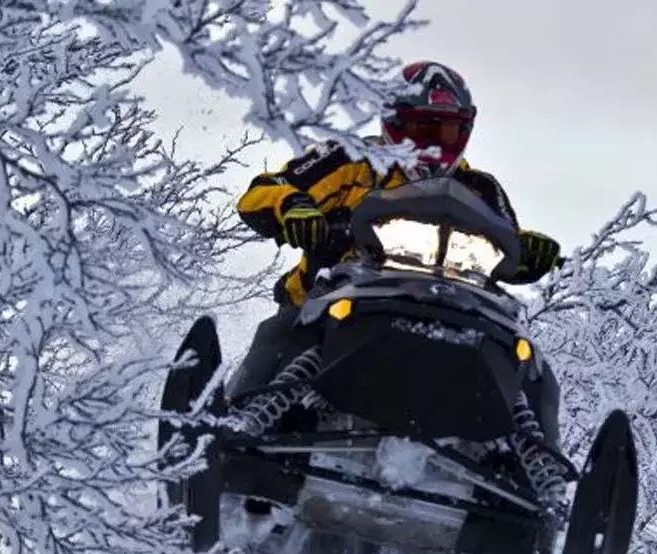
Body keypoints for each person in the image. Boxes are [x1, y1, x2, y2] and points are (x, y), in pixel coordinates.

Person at [227, 61, 563, 398]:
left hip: (454, 312)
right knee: (279, 333)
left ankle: (536, 448)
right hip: (333, 301)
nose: (431, 145)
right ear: (393, 122)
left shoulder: (480, 190)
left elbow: (505, 244)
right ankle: (232, 422)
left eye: (444, 132)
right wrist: (293, 207)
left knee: (529, 366)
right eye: (420, 129)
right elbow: (263, 191)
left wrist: (529, 251)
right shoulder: (350, 160)